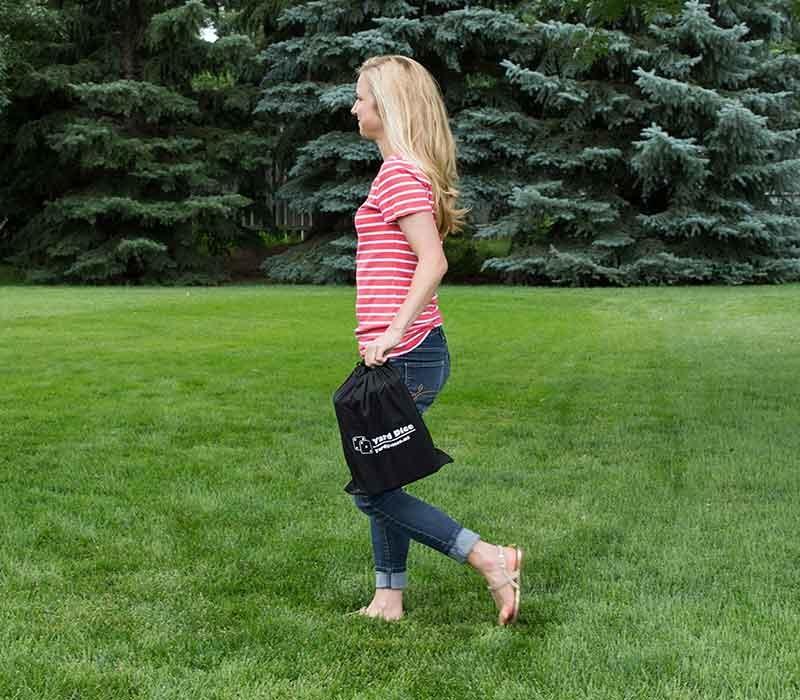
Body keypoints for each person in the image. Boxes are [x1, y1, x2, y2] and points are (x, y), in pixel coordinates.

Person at [347, 55, 523, 625]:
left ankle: (488, 557)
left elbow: (433, 260)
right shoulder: (401, 171)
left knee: (372, 488)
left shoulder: (398, 174)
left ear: (387, 107)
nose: (354, 108)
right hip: (401, 351)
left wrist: (394, 331)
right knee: (383, 473)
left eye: (362, 98)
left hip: (408, 351)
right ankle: (388, 598)